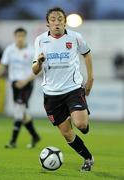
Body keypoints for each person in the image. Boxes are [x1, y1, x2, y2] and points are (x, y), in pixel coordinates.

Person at [32, 7, 94, 171]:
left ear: (65, 22)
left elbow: (87, 54)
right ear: (47, 23)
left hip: (73, 88)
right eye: (53, 19)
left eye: (60, 19)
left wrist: (90, 79)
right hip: (51, 95)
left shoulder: (75, 37)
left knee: (80, 125)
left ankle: (82, 120)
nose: (57, 22)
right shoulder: (40, 40)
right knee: (67, 134)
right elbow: (35, 70)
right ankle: (88, 158)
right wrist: (38, 62)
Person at [0, 27, 40, 148]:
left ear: (25, 37)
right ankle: (35, 136)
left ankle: (13, 141)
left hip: (27, 84)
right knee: (22, 112)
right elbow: (3, 65)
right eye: (18, 36)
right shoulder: (10, 50)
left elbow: (37, 70)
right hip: (14, 84)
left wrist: (25, 81)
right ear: (15, 37)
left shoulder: (31, 51)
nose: (20, 38)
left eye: (22, 36)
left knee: (19, 109)